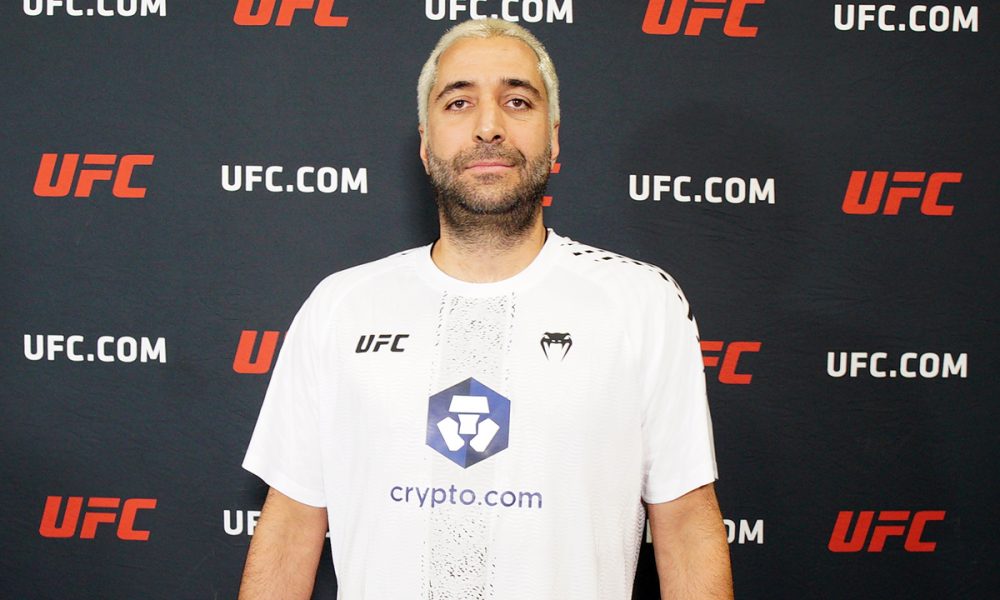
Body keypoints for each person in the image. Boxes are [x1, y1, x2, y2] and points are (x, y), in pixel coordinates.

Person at [239, 18, 733, 600]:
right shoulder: (341, 306)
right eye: (459, 102)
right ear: (425, 144)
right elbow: (290, 527)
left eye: (517, 101)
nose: (489, 126)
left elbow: (686, 526)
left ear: (554, 138)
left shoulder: (641, 303)